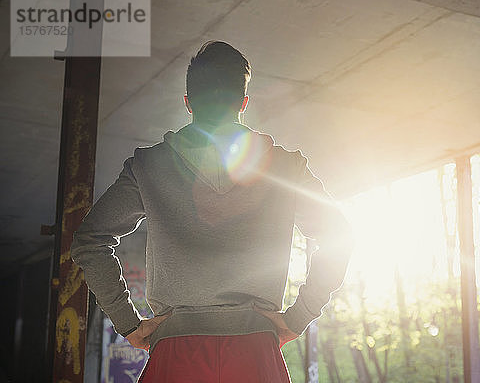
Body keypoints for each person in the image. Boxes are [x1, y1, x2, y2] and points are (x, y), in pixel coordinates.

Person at [70, 40, 354, 382]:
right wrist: (299, 317)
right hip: (256, 352)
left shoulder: (148, 167)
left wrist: (128, 322)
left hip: (175, 351)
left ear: (188, 102)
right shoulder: (285, 167)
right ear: (243, 103)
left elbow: (89, 241)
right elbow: (339, 234)